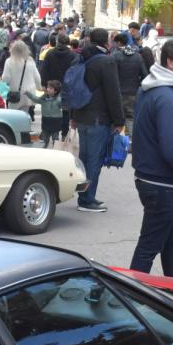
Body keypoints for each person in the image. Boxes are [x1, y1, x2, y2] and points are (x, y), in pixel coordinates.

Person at [129, 38, 173, 276]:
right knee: (150, 245)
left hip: (158, 181)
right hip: (160, 184)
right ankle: (129, 294)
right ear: (170, 62)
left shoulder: (157, 89)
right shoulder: (167, 97)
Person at [74, 27, 126, 213]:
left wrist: (73, 115)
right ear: (107, 42)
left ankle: (82, 195)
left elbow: (75, 88)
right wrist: (119, 120)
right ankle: (87, 200)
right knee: (94, 161)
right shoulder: (106, 61)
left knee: (84, 158)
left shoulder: (81, 57)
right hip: (98, 118)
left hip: (81, 116)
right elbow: (113, 93)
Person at [113, 31, 149, 125]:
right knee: (131, 118)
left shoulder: (115, 56)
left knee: (116, 119)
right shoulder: (137, 56)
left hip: (117, 93)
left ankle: (117, 139)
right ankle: (130, 138)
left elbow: (111, 76)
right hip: (133, 92)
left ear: (119, 43)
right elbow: (145, 75)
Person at [0, 40, 42, 122]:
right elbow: (37, 77)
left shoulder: (9, 61)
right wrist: (39, 87)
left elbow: (6, 78)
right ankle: (23, 132)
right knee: (24, 116)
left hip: (15, 94)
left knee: (12, 117)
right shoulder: (30, 61)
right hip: (29, 94)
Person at [25, 80, 66, 147]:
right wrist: (28, 94)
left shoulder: (59, 100)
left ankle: (56, 152)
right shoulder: (43, 98)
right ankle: (44, 151)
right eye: (48, 87)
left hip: (56, 123)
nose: (48, 89)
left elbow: (65, 105)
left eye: (50, 88)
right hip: (46, 122)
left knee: (55, 139)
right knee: (44, 140)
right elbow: (35, 99)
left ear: (55, 91)